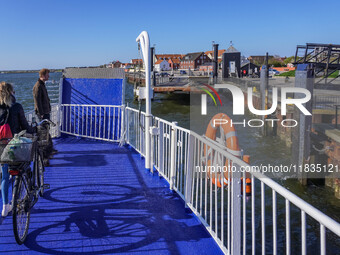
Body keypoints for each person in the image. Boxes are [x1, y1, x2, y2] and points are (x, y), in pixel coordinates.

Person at [0, 82, 36, 217]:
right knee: (20, 169)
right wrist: (34, 131)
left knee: (4, 176)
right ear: (11, 92)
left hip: (0, 147)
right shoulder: (16, 106)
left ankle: (5, 206)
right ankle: (20, 198)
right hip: (15, 146)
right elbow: (25, 126)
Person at [33, 68, 57, 166]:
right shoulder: (38, 86)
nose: (49, 76)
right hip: (42, 114)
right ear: (42, 75)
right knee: (43, 133)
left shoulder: (42, 85)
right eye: (47, 74)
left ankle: (49, 150)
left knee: (46, 132)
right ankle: (45, 154)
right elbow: (37, 101)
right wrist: (41, 113)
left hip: (45, 112)